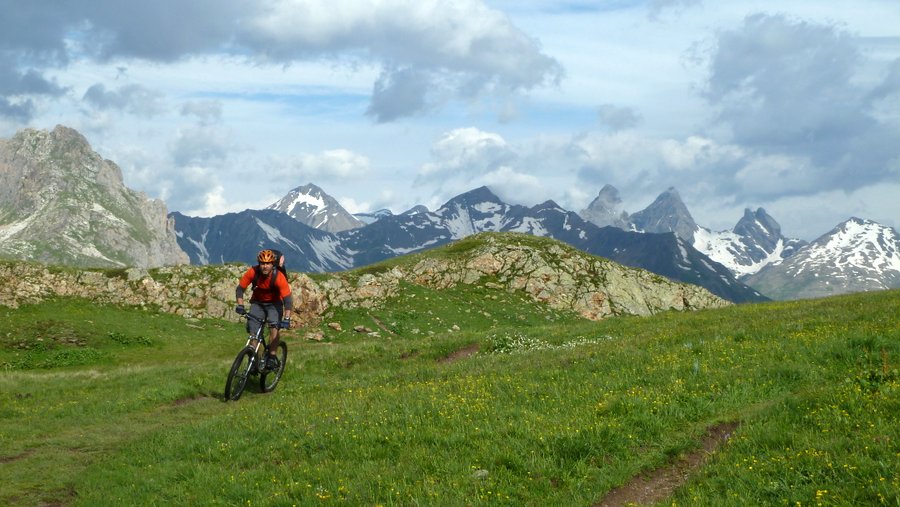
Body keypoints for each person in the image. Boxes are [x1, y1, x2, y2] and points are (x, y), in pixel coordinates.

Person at [235, 249, 293, 371]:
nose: (265, 266)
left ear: (273, 264)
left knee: (274, 327)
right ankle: (253, 361)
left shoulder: (278, 277)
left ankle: (272, 356)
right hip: (257, 303)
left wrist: (287, 318)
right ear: (259, 263)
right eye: (262, 263)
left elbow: (287, 300)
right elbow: (240, 289)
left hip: (274, 304)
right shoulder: (253, 272)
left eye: (268, 263)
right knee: (253, 334)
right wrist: (240, 305)